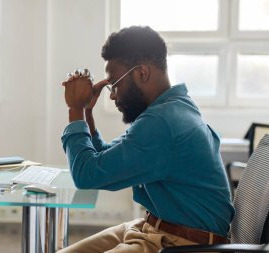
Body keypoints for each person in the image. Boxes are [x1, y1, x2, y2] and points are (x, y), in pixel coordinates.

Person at [60, 26, 234, 253]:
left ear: (142, 73)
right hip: (154, 228)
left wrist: (75, 109)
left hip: (183, 243)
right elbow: (105, 160)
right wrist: (87, 114)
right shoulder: (172, 109)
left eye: (115, 84)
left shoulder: (162, 123)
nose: (112, 95)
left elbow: (87, 175)